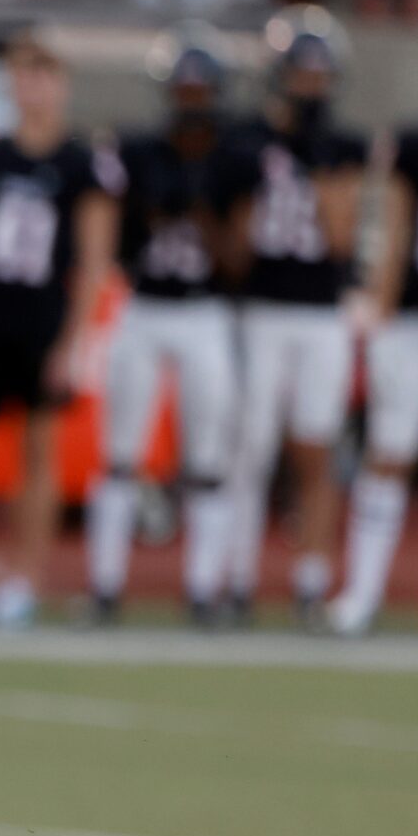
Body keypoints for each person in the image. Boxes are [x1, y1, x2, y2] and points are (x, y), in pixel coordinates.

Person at [0, 32, 117, 623]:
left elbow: (92, 263)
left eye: (43, 76)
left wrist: (73, 342)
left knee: (39, 452)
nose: (33, 88)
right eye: (24, 76)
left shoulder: (79, 165)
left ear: (60, 86)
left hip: (44, 322)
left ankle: (24, 579)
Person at [86, 33, 253, 621]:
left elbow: (239, 259)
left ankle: (202, 591)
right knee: (120, 453)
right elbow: (114, 248)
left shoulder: (232, 157)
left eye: (200, 88)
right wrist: (148, 214)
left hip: (206, 310)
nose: (192, 99)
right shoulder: (138, 152)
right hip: (146, 304)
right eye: (184, 88)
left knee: (207, 458)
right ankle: (104, 590)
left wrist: (202, 213)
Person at [224, 9, 363, 622]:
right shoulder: (250, 140)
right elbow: (236, 243)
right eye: (300, 75)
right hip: (261, 309)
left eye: (317, 76)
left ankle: (311, 579)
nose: (309, 86)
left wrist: (317, 166)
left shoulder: (342, 145)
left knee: (315, 448)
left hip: (319, 313)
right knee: (251, 446)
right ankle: (237, 578)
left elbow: (339, 238)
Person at [333, 117, 418, 633]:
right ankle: (362, 593)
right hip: (413, 322)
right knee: (389, 454)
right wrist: (384, 309)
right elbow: (394, 225)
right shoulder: (415, 146)